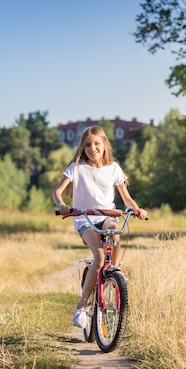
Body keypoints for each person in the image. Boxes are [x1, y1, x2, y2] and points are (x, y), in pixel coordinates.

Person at [52, 125, 148, 328]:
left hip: (106, 216)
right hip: (84, 219)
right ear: (82, 147)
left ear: (104, 145)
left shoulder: (113, 168)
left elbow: (127, 198)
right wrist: (62, 205)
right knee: (97, 256)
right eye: (87, 145)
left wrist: (138, 210)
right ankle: (81, 307)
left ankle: (112, 270)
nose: (92, 148)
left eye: (96, 144)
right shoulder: (77, 167)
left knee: (115, 231)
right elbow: (57, 192)